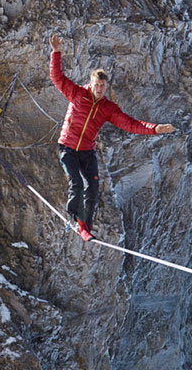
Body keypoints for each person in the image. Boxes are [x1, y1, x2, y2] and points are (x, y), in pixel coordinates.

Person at [49, 32, 175, 241]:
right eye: (97, 86)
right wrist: (56, 53)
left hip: (87, 151)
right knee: (77, 183)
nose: (99, 90)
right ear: (91, 84)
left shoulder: (108, 108)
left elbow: (131, 124)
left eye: (103, 87)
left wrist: (155, 129)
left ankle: (84, 228)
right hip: (68, 147)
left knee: (93, 187)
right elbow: (57, 77)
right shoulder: (78, 94)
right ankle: (73, 217)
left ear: (106, 88)